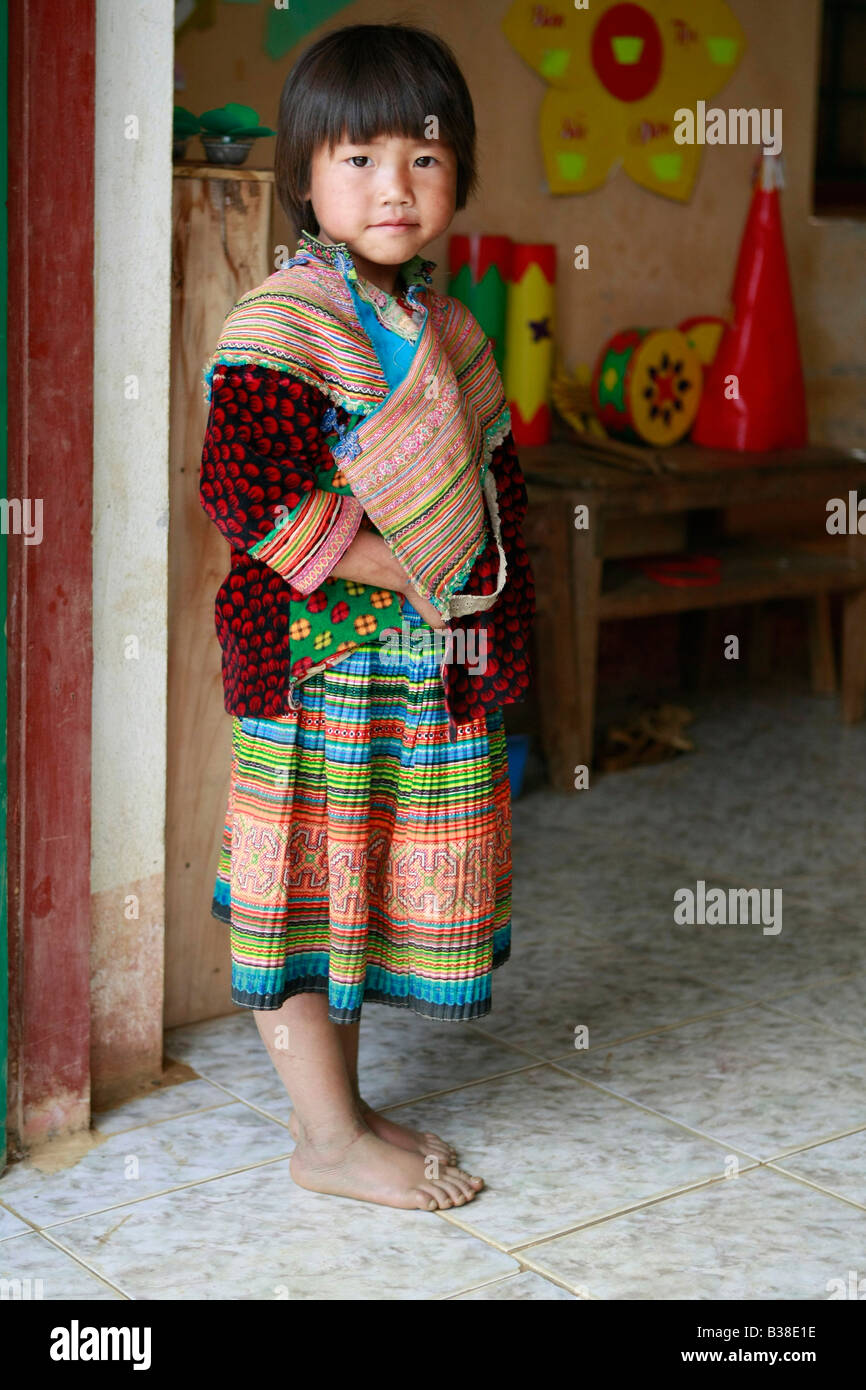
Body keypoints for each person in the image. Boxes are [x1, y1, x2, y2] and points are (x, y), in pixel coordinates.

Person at [199, 21, 535, 1212]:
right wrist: (393, 567)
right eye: (358, 158)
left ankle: (337, 1115)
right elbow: (242, 493)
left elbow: (499, 507)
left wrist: (491, 655)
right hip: (307, 675)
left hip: (416, 679)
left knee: (364, 887)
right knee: (295, 890)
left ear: (460, 177)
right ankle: (327, 1144)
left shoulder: (456, 340)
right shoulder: (279, 326)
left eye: (425, 158)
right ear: (305, 178)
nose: (394, 185)